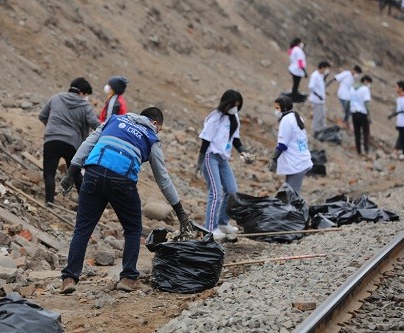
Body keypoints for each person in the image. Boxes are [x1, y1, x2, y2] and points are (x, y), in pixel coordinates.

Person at [59, 107, 191, 294]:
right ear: (154, 123)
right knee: (132, 229)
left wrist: (71, 173)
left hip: (93, 173)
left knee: (82, 228)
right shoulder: (151, 137)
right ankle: (128, 278)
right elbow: (162, 178)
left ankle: (69, 278)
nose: (158, 132)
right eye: (159, 129)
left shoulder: (113, 121)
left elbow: (88, 143)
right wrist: (180, 211)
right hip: (121, 181)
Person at [195, 89, 254, 240]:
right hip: (210, 157)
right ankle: (210, 228)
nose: (235, 108)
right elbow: (205, 141)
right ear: (226, 103)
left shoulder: (234, 118)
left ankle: (222, 222)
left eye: (237, 105)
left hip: (223, 158)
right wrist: (199, 163)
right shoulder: (215, 118)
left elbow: (235, 139)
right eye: (233, 105)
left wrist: (243, 152)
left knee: (232, 191)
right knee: (215, 193)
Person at [38, 77, 100, 206]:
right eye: (86, 94)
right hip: (72, 143)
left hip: (52, 139)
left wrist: (52, 127)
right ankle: (85, 205)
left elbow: (42, 116)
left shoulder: (56, 98)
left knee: (49, 172)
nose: (86, 97)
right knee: (75, 174)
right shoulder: (85, 106)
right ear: (82, 92)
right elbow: (95, 125)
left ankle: (49, 201)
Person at [267, 95, 313, 194]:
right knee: (286, 192)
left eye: (277, 108)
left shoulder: (286, 120)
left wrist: (274, 159)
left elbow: (282, 145)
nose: (276, 111)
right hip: (299, 160)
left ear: (285, 108)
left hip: (297, 163)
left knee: (293, 196)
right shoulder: (296, 116)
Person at [329, 65, 363, 132]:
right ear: (354, 70)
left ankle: (345, 122)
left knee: (349, 111)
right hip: (342, 95)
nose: (357, 75)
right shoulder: (346, 73)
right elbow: (336, 78)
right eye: (357, 73)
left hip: (348, 97)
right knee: (347, 110)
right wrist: (327, 84)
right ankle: (343, 122)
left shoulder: (353, 78)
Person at [349, 75, 373, 156]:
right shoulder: (365, 89)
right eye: (369, 82)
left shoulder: (352, 87)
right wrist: (369, 113)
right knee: (366, 132)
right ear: (366, 81)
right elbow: (366, 102)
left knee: (357, 132)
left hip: (354, 112)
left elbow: (349, 100)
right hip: (362, 113)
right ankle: (366, 149)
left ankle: (358, 150)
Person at [308, 61, 331, 135]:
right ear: (322, 68)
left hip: (321, 100)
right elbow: (311, 87)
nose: (326, 70)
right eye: (326, 68)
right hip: (316, 100)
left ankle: (322, 129)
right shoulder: (315, 75)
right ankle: (315, 131)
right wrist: (318, 96)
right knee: (317, 116)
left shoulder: (321, 75)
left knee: (322, 115)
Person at [287, 37, 308, 102]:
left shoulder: (293, 48)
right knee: (296, 84)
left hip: (293, 68)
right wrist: (305, 72)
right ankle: (294, 97)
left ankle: (294, 94)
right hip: (297, 70)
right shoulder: (298, 50)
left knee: (295, 84)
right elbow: (300, 61)